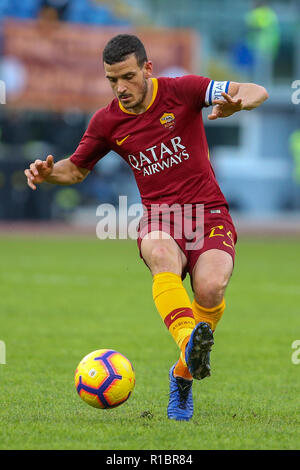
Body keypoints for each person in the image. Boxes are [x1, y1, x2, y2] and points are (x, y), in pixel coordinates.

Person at [24, 34, 269, 421]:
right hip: (161, 217)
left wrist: (240, 102)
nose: (120, 88)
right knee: (158, 252)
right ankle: (190, 342)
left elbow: (257, 89)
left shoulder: (183, 90)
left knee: (211, 286)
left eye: (127, 77)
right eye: (111, 80)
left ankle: (182, 374)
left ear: (147, 69)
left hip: (208, 212)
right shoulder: (107, 121)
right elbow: (74, 170)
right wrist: (47, 171)